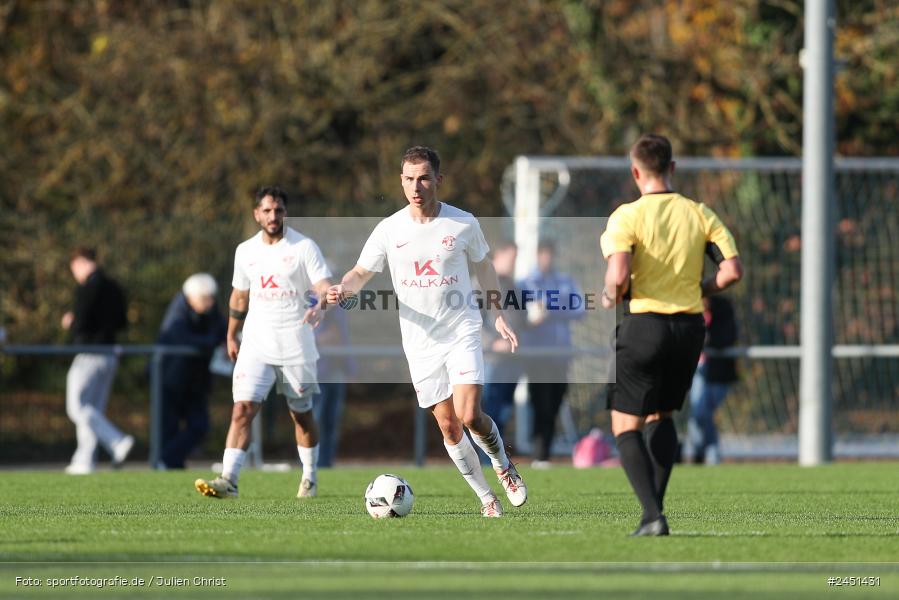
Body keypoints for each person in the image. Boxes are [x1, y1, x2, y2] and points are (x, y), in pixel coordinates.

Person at [327, 146, 527, 517]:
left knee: (470, 414)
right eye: (407, 179)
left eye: (422, 178)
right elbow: (360, 272)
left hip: (461, 328)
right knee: (449, 427)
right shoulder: (389, 229)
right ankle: (487, 498)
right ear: (400, 181)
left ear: (438, 179)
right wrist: (344, 288)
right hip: (419, 341)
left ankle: (503, 465)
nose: (415, 186)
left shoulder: (462, 222)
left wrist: (497, 312)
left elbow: (485, 268)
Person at [600, 134, 743, 536]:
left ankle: (652, 515)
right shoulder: (700, 213)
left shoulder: (626, 216)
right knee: (662, 417)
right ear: (672, 169)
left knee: (625, 425)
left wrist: (611, 294)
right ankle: (655, 514)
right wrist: (703, 288)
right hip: (689, 329)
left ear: (635, 172)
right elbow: (732, 270)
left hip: (645, 325)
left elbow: (620, 275)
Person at [195, 186, 333, 499]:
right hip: (256, 342)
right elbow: (240, 295)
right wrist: (231, 333)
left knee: (301, 413)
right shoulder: (245, 251)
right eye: (267, 211)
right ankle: (229, 480)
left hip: (296, 343)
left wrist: (320, 305)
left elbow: (325, 286)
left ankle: (309, 476)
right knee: (242, 409)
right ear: (257, 214)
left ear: (286, 213)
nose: (273, 216)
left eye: (279, 210)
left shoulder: (303, 247)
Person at [62, 247, 134, 474]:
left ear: (80, 263)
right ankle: (85, 460)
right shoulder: (114, 287)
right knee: (93, 410)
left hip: (89, 352)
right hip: (110, 354)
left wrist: (71, 322)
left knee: (77, 406)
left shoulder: (86, 288)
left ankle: (116, 440)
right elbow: (122, 322)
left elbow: (81, 322)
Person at [518, 240, 585, 468]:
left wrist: (550, 308)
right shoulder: (526, 283)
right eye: (543, 254)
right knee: (541, 402)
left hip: (561, 355)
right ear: (537, 256)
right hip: (537, 355)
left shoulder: (565, 281)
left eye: (550, 254)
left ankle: (543, 451)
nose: (546, 259)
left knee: (556, 400)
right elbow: (518, 314)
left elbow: (579, 308)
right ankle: (540, 454)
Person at [156, 273, 227, 469]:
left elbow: (223, 329)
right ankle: (168, 463)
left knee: (199, 426)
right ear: (191, 297)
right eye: (204, 299)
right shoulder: (177, 313)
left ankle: (168, 461)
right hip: (170, 380)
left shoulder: (210, 311)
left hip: (196, 381)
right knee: (168, 427)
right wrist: (212, 342)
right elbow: (182, 337)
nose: (209, 303)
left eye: (211, 298)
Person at [686, 295, 739, 465]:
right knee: (700, 411)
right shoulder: (687, 306)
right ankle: (707, 452)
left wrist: (708, 340)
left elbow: (729, 336)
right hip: (695, 370)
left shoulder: (723, 309)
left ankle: (699, 451)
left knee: (702, 412)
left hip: (718, 372)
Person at [480, 240, 523, 439]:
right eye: (511, 258)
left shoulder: (512, 285)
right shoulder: (479, 283)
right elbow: (471, 319)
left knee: (504, 410)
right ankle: (484, 460)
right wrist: (492, 343)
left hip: (512, 360)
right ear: (498, 255)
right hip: (489, 359)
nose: (514, 263)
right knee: (488, 410)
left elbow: (519, 319)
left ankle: (500, 459)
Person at [311, 301, 356, 467]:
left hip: (336, 373)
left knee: (331, 421)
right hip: (316, 373)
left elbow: (343, 339)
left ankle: (326, 464)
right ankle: (311, 463)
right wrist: (321, 339)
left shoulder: (339, 309)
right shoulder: (309, 304)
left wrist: (351, 369)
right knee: (314, 420)